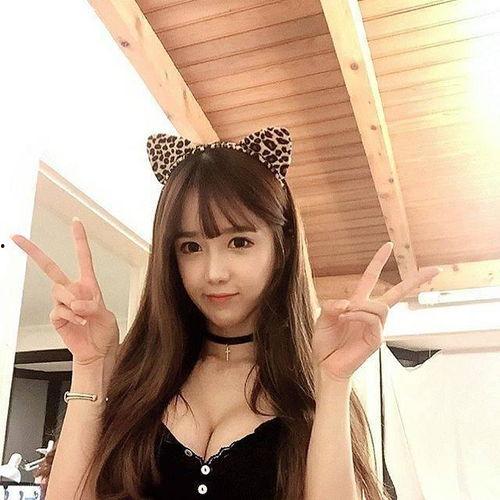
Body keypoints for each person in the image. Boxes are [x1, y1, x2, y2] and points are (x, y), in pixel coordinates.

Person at [11, 125, 431, 499]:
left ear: (281, 247)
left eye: (239, 242)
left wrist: (334, 383)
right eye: (191, 247)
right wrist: (89, 365)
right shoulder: (137, 376)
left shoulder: (317, 385)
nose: (213, 273)